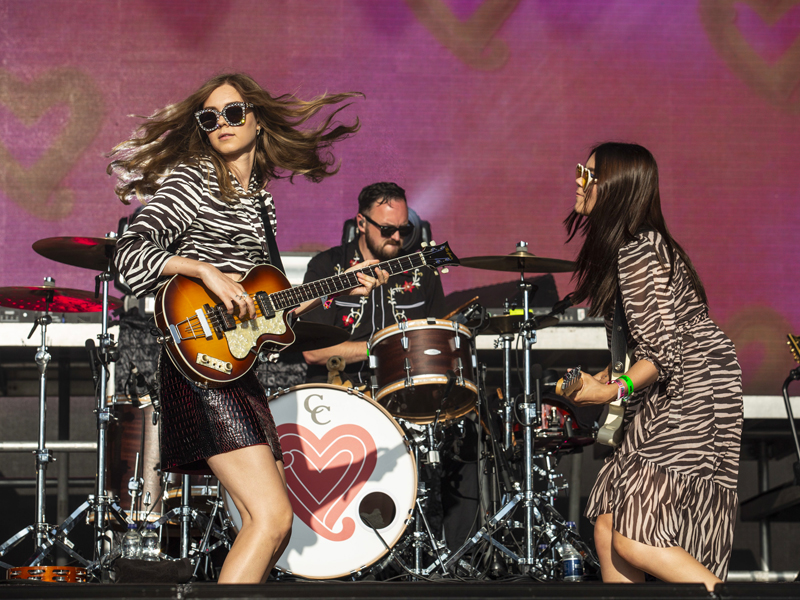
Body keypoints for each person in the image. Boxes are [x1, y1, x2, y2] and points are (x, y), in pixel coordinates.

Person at [110, 73, 388, 584]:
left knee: (273, 525)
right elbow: (128, 256)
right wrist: (201, 270)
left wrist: (342, 288)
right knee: (272, 517)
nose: (222, 125)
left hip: (237, 367)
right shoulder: (192, 177)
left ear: (257, 121)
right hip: (199, 362)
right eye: (210, 117)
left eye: (234, 113)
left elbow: (266, 310)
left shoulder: (260, 201)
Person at [563, 142, 743, 590]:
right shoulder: (633, 247)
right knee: (606, 528)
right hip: (679, 382)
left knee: (634, 539)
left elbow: (662, 353)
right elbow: (652, 344)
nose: (578, 181)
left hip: (694, 389)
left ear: (617, 188)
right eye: (579, 172)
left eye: (588, 175)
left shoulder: (639, 250)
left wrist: (609, 391)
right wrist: (607, 375)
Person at [301, 182, 445, 385]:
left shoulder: (423, 271)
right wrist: (379, 347)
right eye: (387, 229)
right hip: (340, 394)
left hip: (403, 393)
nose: (396, 237)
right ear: (361, 223)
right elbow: (313, 351)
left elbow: (438, 340)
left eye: (404, 230)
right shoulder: (327, 266)